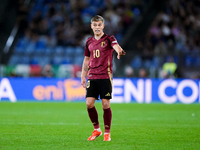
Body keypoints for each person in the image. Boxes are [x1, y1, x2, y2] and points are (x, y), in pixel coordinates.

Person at [81, 15, 125, 141]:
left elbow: (117, 47)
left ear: (103, 26)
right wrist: (83, 76)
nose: (97, 27)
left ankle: (107, 133)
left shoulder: (109, 38)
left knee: (105, 104)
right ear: (91, 26)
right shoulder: (89, 41)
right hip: (92, 76)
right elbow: (86, 59)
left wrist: (119, 51)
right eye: (95, 25)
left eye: (99, 25)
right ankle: (97, 130)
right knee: (89, 104)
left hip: (105, 76)